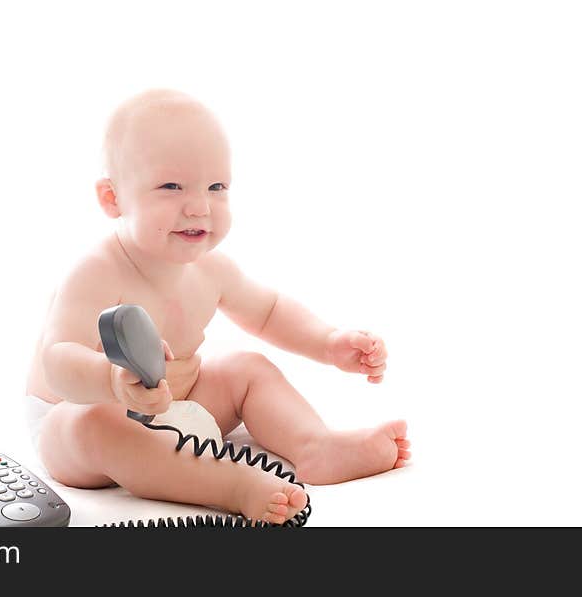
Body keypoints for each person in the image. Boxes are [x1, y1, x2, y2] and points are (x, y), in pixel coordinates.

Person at [25, 89, 410, 524]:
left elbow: (269, 311)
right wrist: (111, 382)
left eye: (216, 187)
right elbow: (58, 358)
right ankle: (229, 484)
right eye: (171, 187)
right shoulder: (96, 271)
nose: (198, 206)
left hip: (179, 405)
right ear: (112, 198)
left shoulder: (211, 269)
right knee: (95, 424)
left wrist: (328, 342)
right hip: (78, 419)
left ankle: (315, 446)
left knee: (247, 367)